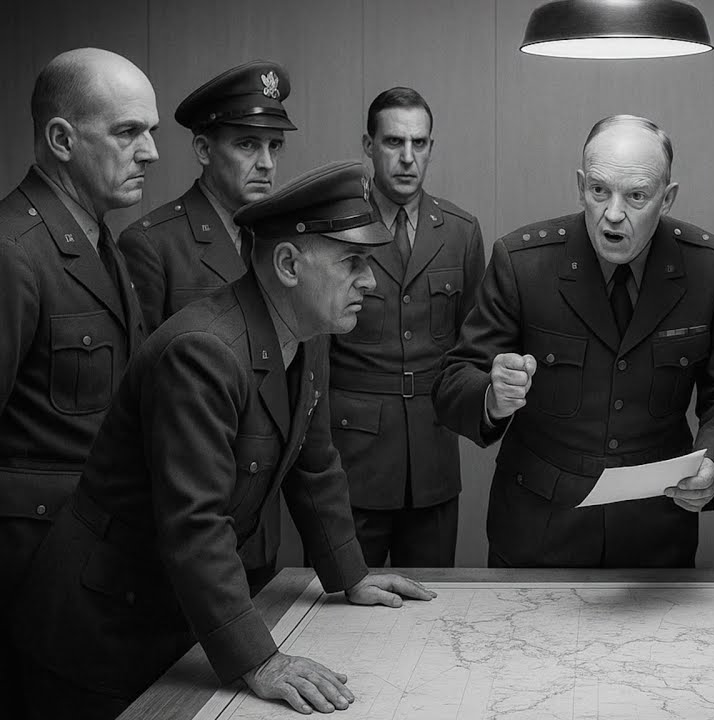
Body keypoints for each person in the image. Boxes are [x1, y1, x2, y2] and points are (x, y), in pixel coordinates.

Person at [11, 161, 434, 720]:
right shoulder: (204, 352)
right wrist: (261, 660)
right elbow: (195, 523)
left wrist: (350, 576)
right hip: (101, 626)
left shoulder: (307, 332)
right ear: (288, 265)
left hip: (172, 610)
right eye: (352, 262)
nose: (370, 281)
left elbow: (314, 464)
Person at [433, 115, 714, 568]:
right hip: (538, 531)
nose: (613, 213)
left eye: (636, 196)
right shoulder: (523, 262)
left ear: (667, 198)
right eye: (599, 190)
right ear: (580, 187)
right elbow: (452, 383)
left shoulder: (710, 266)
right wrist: (492, 395)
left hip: (655, 533)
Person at [0, 47, 155, 719]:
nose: (151, 152)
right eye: (128, 132)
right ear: (62, 139)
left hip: (93, 569)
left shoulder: (98, 238)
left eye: (151, 131)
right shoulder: (13, 251)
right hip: (30, 573)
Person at [119, 59, 297, 593]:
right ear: (202, 149)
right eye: (247, 145)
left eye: (274, 146)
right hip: (186, 525)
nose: (266, 163)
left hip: (258, 526)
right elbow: (140, 405)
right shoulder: (153, 245)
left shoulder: (282, 248)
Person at [328, 87, 485, 569]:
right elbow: (314, 347)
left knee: (433, 600)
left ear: (431, 147)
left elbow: (473, 348)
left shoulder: (460, 232)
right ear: (369, 145)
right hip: (354, 455)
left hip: (432, 456)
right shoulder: (336, 226)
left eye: (419, 143)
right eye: (394, 142)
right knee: (345, 597)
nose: (407, 157)